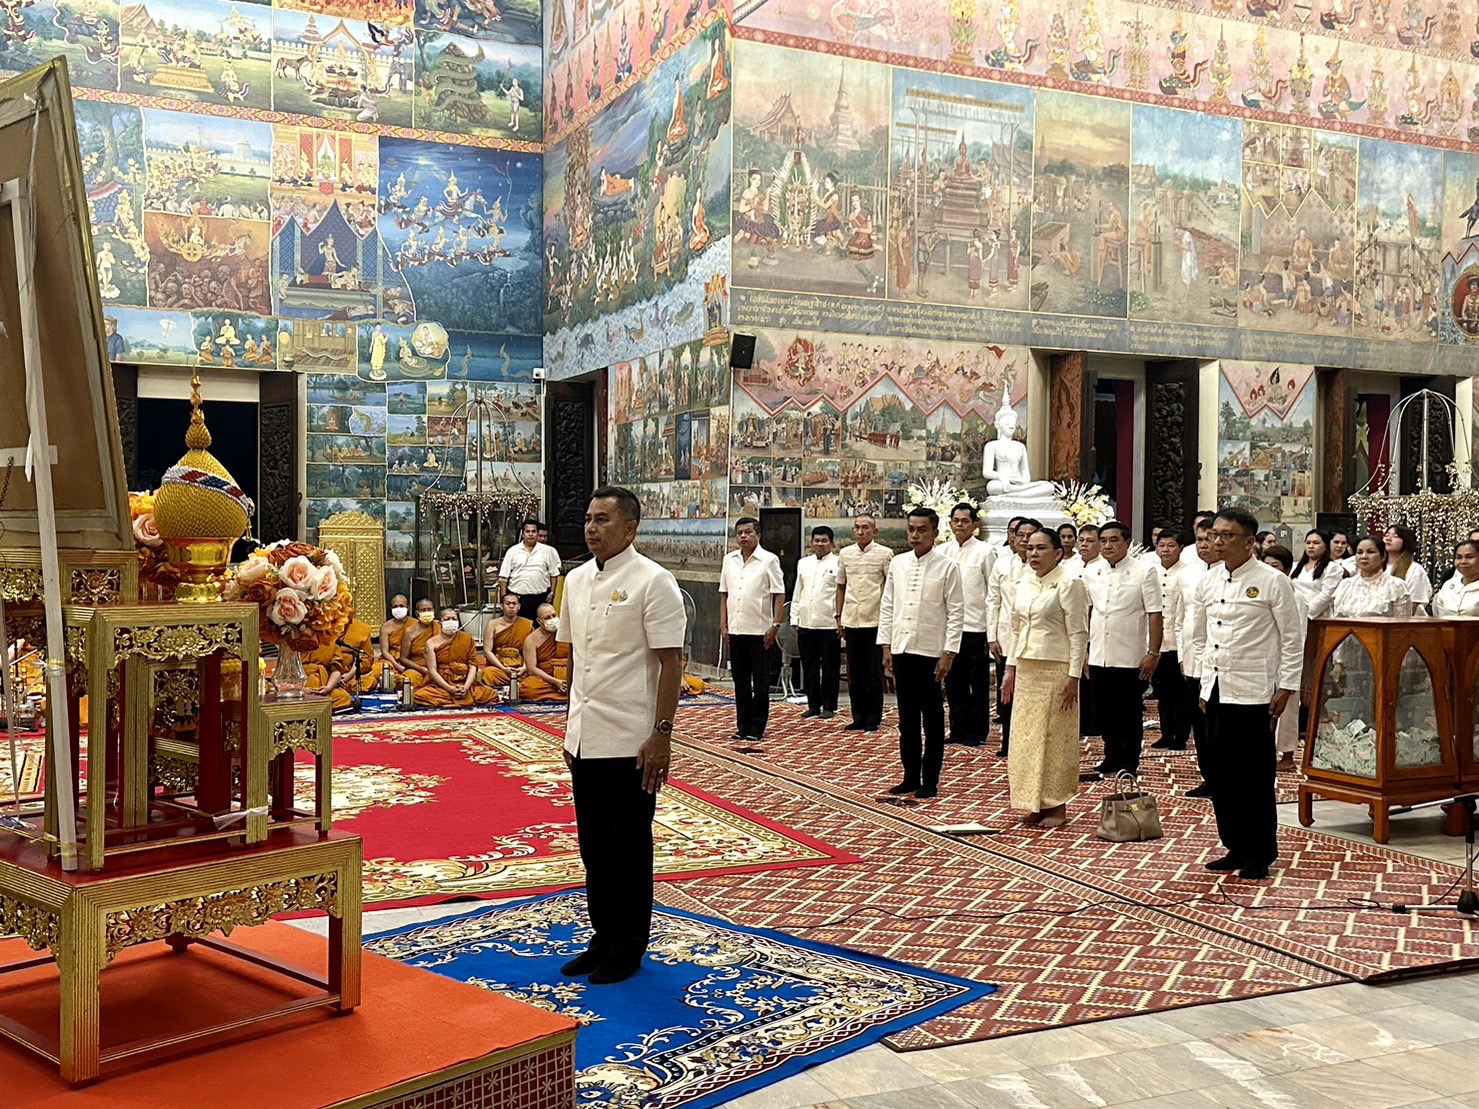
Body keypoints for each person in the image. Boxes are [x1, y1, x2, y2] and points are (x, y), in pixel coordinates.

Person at [557, 486, 685, 986]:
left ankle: (629, 946)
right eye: (588, 518)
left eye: (603, 519)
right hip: (586, 737)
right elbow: (574, 662)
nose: (592, 528)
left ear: (630, 527)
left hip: (633, 740)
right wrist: (570, 729)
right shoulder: (576, 579)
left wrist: (661, 735)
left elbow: (671, 663)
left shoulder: (654, 581)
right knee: (594, 848)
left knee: (628, 846)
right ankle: (602, 937)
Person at [1182, 507, 1303, 881]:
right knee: (1221, 772)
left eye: (1227, 536)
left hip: (1255, 690)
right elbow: (1201, 636)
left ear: (1249, 541)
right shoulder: (1209, 579)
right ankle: (1234, 844)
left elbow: (1292, 638)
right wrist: (1204, 683)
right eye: (1214, 534)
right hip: (1216, 688)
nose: (1217, 541)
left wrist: (1286, 687)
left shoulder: (1271, 581)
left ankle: (1260, 852)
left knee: (1254, 774)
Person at [1002, 528, 1088, 827]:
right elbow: (1016, 629)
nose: (1033, 554)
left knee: (1054, 738)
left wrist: (1073, 676)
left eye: (1041, 549)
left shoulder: (1069, 584)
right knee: (1026, 738)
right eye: (1030, 548)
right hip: (1028, 669)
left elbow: (1079, 633)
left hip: (1056, 670)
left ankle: (1057, 804)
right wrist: (1009, 670)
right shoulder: (1024, 582)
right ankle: (1034, 801)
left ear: (1058, 553)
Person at [878, 508, 963, 800]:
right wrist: (886, 645)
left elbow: (955, 612)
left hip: (931, 651)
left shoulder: (947, 566)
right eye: (911, 529)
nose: (915, 535)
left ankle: (931, 779)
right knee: (907, 719)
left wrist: (949, 652)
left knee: (933, 719)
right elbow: (888, 605)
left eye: (922, 530)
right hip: (901, 648)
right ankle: (910, 776)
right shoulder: (898, 564)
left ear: (935, 533)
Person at [1082, 521, 1163, 778]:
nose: (1107, 545)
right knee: (1103, 710)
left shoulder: (1144, 571)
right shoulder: (1091, 571)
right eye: (1103, 540)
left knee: (1128, 711)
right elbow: (1087, 611)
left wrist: (1153, 652)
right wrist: (1085, 650)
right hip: (1099, 652)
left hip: (1129, 654)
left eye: (1113, 540)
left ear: (1127, 543)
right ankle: (1111, 755)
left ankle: (1129, 760)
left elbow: (1154, 613)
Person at [719, 517, 784, 743]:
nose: (743, 537)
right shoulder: (729, 560)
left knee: (761, 682)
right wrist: (723, 624)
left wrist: (775, 625)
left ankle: (757, 726)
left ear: (758, 535)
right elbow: (724, 594)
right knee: (741, 681)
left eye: (748, 532)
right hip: (736, 630)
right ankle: (742, 725)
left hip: (760, 631)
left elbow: (779, 594)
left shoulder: (769, 560)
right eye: (740, 533)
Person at [835, 513, 893, 732]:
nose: (861, 532)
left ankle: (873, 717)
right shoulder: (845, 554)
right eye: (857, 528)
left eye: (866, 528)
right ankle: (858, 715)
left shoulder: (884, 554)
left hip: (875, 621)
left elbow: (890, 588)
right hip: (851, 619)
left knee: (873, 672)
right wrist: (839, 616)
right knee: (855, 673)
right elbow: (840, 586)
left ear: (874, 531)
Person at [943, 503, 995, 746]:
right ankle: (957, 729)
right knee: (954, 683)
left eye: (965, 521)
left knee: (978, 684)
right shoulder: (943, 551)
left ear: (975, 525)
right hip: (950, 629)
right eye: (956, 520)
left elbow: (993, 593)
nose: (960, 525)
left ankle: (977, 732)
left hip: (976, 627)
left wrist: (991, 632)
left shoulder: (985, 552)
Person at [987, 518, 1036, 756]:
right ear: (1012, 538)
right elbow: (992, 601)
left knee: (1030, 694)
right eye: (1021, 535)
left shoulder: (1043, 565)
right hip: (1005, 638)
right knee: (1007, 692)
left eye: (1030, 535)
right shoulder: (1001, 565)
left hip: (1036, 642)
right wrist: (991, 636)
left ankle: (1029, 742)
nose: (1025, 540)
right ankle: (1007, 742)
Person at [1261, 544, 1304, 768]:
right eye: (1266, 566)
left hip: (1287, 661)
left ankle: (1287, 756)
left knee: (1287, 712)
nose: (1270, 571)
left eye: (1275, 566)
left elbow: (1298, 635)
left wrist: (1292, 666)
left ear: (1287, 569)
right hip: (1266, 659)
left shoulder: (1296, 597)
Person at [792, 526, 841, 719]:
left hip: (829, 624)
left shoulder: (838, 563)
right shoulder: (803, 563)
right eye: (816, 541)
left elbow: (840, 593)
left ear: (832, 543)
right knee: (809, 667)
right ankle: (813, 704)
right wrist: (794, 617)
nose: (819, 544)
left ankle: (829, 706)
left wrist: (839, 620)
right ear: (811, 543)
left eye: (824, 541)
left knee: (829, 668)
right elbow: (798, 591)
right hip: (806, 623)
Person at [1150, 530, 1193, 751]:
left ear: (1181, 549)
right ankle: (1166, 733)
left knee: (1180, 693)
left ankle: (1181, 735)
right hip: (1158, 641)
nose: (1165, 550)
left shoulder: (1187, 574)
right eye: (1162, 546)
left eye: (1171, 546)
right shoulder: (1151, 573)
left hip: (1178, 641)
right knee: (1162, 693)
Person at [414, 609, 499, 707]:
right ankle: (459, 699)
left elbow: (472, 666)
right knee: (420, 695)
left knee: (490, 694)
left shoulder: (467, 639)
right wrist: (450, 689)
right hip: (442, 684)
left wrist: (466, 687)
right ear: (440, 622)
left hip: (464, 681)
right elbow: (432, 671)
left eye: (454, 619)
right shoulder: (431, 643)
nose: (451, 621)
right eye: (447, 619)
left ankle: (452, 700)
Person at [304, 610, 379, 712]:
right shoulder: (298, 641)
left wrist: (332, 685)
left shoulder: (360, 630)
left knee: (346, 697)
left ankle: (313, 703)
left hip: (337, 679)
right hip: (305, 683)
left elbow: (365, 659)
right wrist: (300, 690)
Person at [1331, 536, 1412, 617]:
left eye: (1370, 552)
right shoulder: (1345, 585)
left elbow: (1402, 625)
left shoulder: (1396, 586)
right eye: (1359, 552)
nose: (1364, 557)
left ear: (1383, 556)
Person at [499, 519, 563, 622]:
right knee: (518, 630)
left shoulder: (548, 551)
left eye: (533, 531)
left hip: (540, 598)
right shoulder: (512, 551)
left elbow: (554, 574)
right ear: (523, 534)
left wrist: (552, 593)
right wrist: (503, 598)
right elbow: (503, 577)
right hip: (517, 598)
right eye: (527, 531)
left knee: (540, 629)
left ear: (537, 533)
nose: (531, 534)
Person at [481, 591, 534, 688]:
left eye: (514, 604)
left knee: (534, 677)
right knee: (488, 673)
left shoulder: (527, 624)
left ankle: (518, 685)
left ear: (519, 606)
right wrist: (503, 668)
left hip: (520, 666)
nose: (511, 606)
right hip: (499, 666)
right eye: (508, 603)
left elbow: (532, 651)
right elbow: (487, 651)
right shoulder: (492, 624)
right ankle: (516, 686)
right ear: (502, 606)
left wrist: (524, 668)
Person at [520, 603, 571, 701]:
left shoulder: (567, 632)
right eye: (547, 618)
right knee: (527, 689)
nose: (552, 620)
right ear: (539, 621)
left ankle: (567, 691)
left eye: (554, 616)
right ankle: (568, 694)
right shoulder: (531, 640)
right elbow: (532, 669)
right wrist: (555, 681)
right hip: (546, 678)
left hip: (567, 674)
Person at [1290, 529, 1343, 619]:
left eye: (1316, 543)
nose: (1311, 546)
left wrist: (1306, 613)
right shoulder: (1295, 566)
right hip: (1293, 613)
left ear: (1325, 546)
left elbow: (1327, 594)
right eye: (1308, 543)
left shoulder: (1333, 568)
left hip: (1317, 616)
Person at [1384, 525, 1431, 611]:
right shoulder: (1378, 567)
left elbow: (1413, 605)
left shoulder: (1415, 570)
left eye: (1395, 536)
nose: (1388, 539)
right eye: (1386, 535)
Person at [399, 598, 439, 686]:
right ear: (417, 613)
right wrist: (422, 669)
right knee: (406, 682)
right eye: (423, 610)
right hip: (418, 668)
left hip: (439, 667)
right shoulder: (410, 632)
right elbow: (403, 659)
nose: (427, 612)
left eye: (429, 609)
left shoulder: (440, 627)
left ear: (434, 611)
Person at [1434, 540, 1479, 616]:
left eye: (1469, 557)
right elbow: (1438, 614)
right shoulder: (1448, 585)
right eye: (1459, 557)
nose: (1463, 561)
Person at [378, 594, 412, 684]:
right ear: (391, 608)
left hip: (410, 659)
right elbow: (385, 651)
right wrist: (397, 665)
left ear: (408, 607)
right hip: (391, 660)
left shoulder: (415, 624)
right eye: (395, 606)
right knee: (377, 670)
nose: (398, 609)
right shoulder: (386, 627)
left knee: (411, 676)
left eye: (401, 606)